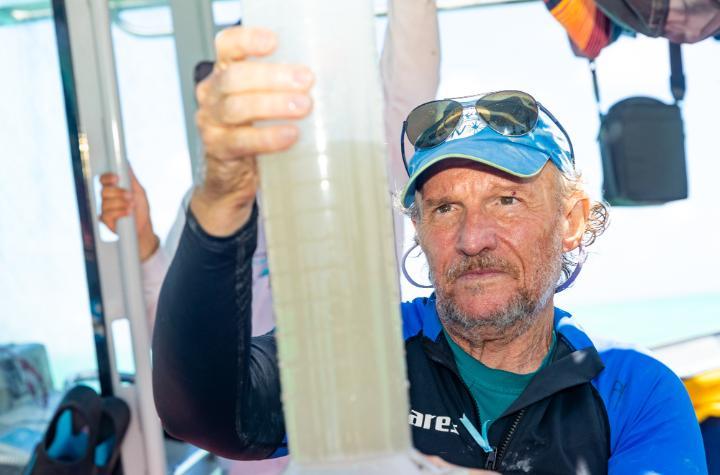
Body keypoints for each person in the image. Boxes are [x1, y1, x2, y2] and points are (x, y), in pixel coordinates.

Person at [151, 27, 708, 474]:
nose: (473, 238)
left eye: (506, 201)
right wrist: (222, 201)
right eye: (444, 209)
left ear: (571, 221)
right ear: (417, 229)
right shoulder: (364, 355)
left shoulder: (633, 389)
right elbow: (201, 413)